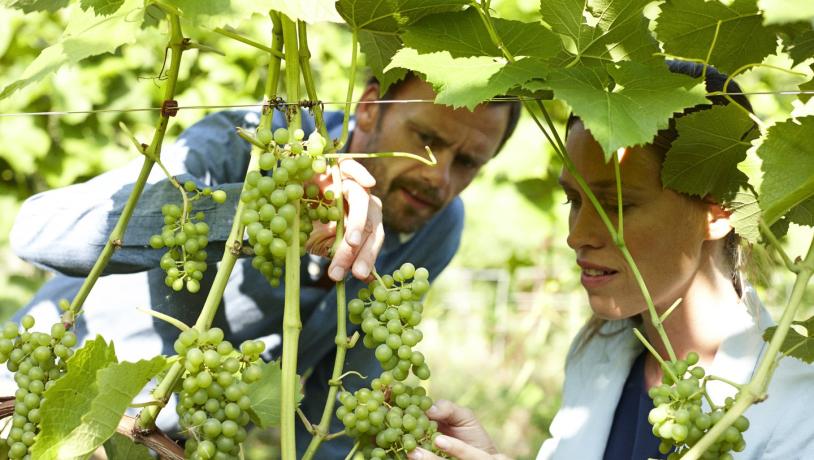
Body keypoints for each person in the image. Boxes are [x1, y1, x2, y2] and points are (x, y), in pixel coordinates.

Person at [6, 72, 521, 458]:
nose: (440, 178)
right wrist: (250, 211)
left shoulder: (437, 223)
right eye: (427, 141)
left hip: (173, 438)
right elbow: (38, 231)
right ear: (369, 108)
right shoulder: (248, 144)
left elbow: (344, 401)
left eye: (470, 161)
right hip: (42, 394)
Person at [407, 63, 814, 460]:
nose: (577, 235)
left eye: (616, 204)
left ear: (720, 211)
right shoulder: (596, 354)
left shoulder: (799, 401)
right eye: (574, 200)